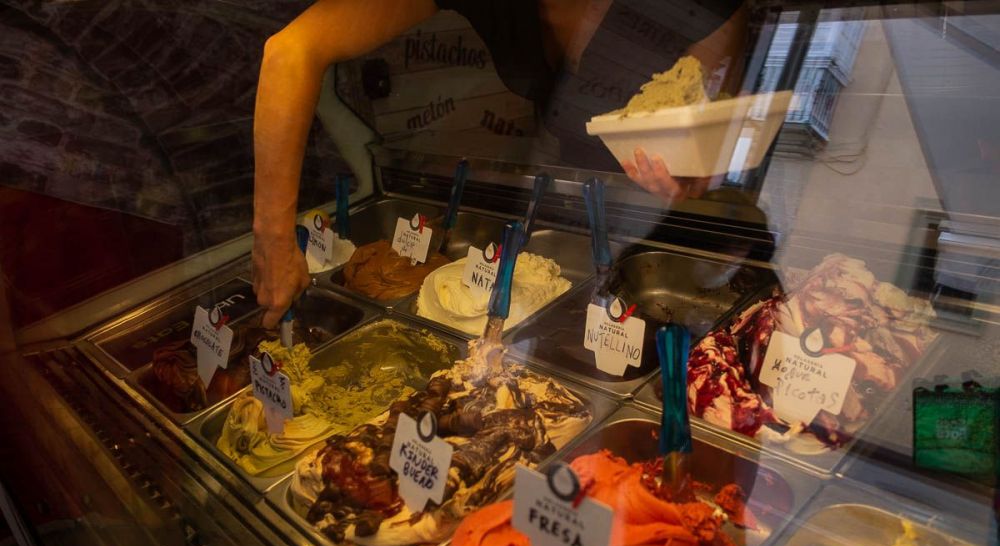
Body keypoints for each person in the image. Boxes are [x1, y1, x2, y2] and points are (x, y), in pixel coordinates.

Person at [253, 0, 747, 326]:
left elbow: (728, 104)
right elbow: (292, 50)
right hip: (577, 211)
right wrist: (274, 242)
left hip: (680, 240)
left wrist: (703, 160)